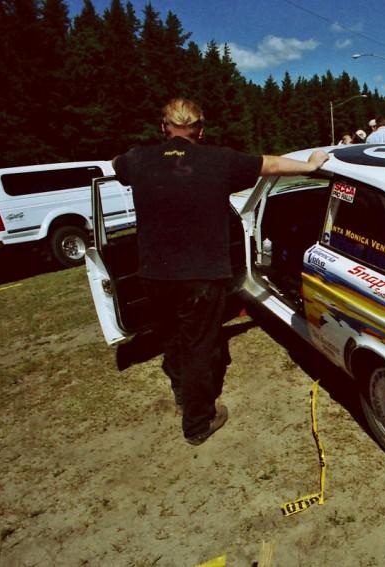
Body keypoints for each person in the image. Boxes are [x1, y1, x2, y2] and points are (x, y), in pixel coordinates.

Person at [113, 98, 329, 445]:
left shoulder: (137, 160)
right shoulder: (220, 160)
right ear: (201, 129)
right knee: (200, 345)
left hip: (153, 275)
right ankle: (198, 422)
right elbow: (272, 164)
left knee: (172, 338)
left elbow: (115, 164)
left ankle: (183, 394)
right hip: (201, 275)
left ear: (163, 127)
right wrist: (311, 164)